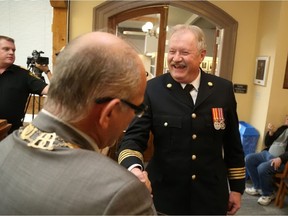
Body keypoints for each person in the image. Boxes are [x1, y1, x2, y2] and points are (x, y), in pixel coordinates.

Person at [0, 31, 156, 215]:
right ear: (109, 112)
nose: (133, 117)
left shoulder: (4, 145)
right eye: (136, 109)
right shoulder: (122, 193)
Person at [117, 24, 246, 215]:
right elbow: (132, 139)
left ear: (202, 55)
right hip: (165, 197)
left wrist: (236, 188)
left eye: (184, 52)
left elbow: (232, 143)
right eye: (172, 51)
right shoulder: (152, 90)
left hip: (210, 197)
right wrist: (135, 169)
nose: (176, 58)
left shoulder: (222, 90)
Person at [0, 35, 49, 133]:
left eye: (13, 50)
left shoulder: (23, 74)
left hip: (9, 134)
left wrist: (48, 72)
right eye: (6, 49)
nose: (11, 52)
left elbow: (52, 90)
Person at [245, 115, 288, 206]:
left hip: (281, 161)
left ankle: (268, 194)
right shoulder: (282, 129)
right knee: (249, 159)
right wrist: (270, 133)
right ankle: (258, 187)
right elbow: (267, 143)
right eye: (286, 117)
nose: (286, 119)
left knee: (262, 168)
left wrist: (281, 158)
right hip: (266, 154)